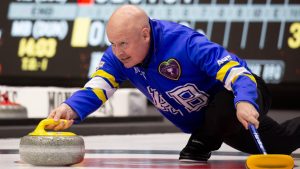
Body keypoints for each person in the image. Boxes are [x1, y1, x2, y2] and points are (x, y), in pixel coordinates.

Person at [46, 5, 300, 162]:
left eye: (123, 43)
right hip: (209, 123)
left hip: (241, 98)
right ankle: (207, 136)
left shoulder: (185, 42)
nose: (118, 51)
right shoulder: (117, 57)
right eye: (113, 43)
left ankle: (202, 143)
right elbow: (97, 87)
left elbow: (237, 73)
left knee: (220, 112)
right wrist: (71, 109)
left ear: (145, 33)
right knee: (279, 145)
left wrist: (244, 101)